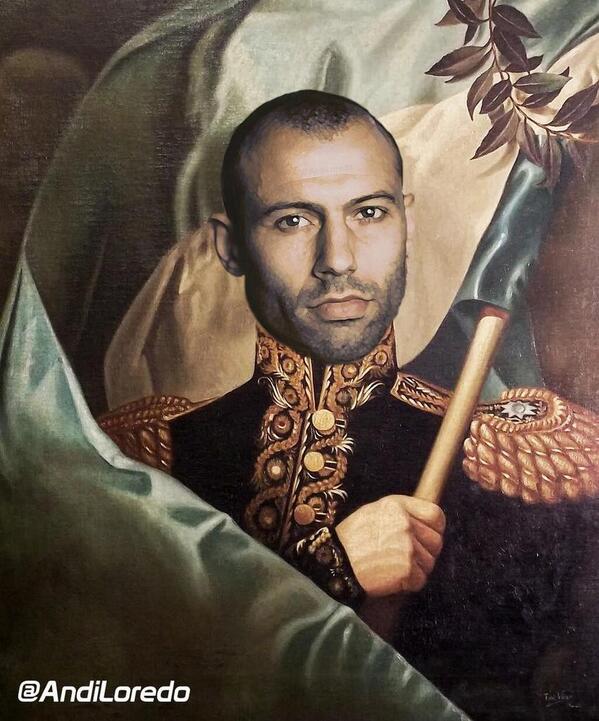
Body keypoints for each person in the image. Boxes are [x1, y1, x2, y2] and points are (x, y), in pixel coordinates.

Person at [99, 90, 599, 719]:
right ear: (230, 246)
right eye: (293, 220)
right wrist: (330, 568)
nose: (337, 259)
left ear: (406, 224)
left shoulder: (519, 459)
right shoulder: (141, 461)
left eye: (368, 212)